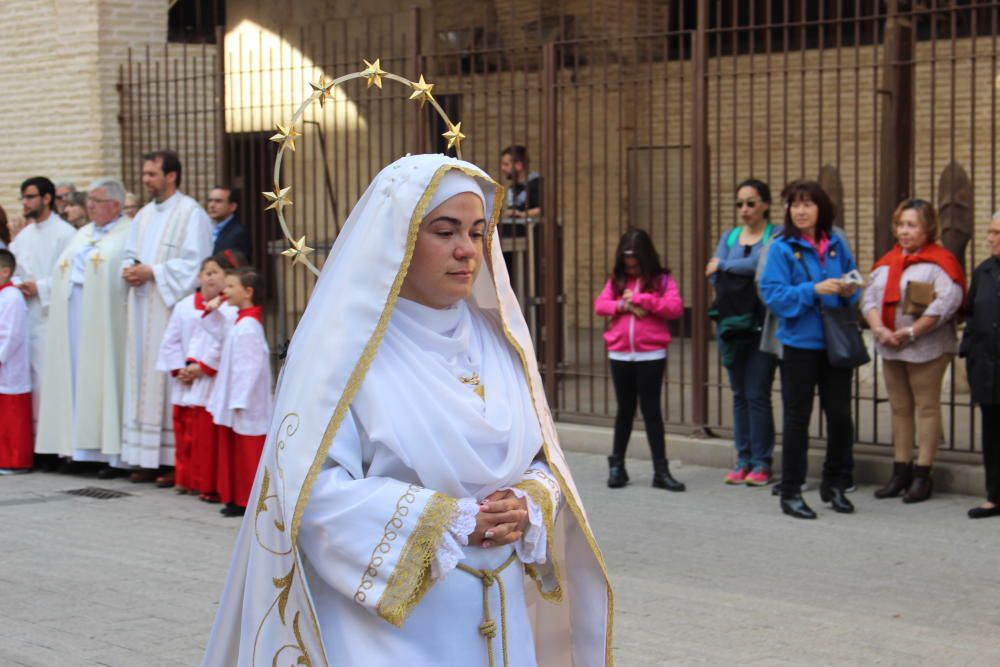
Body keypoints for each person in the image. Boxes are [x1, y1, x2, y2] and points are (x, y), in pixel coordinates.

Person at [201, 154, 611, 666]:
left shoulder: (500, 337)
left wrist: (528, 500)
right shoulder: (343, 355)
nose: (468, 251)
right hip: (392, 633)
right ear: (399, 237)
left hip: (502, 617)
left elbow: (542, 459)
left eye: (479, 232)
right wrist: (448, 521)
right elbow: (310, 493)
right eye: (446, 231)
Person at [759, 180, 861, 520]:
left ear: (821, 208)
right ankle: (790, 492)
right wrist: (812, 290)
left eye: (808, 204)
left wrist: (850, 290)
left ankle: (834, 485)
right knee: (797, 419)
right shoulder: (781, 247)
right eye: (794, 204)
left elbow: (854, 279)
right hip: (800, 344)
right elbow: (773, 294)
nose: (801, 211)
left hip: (836, 343)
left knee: (841, 418)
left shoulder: (836, 242)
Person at [119, 150, 213, 484]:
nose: (146, 180)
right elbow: (129, 251)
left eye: (151, 174)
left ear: (171, 176)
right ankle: (144, 457)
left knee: (168, 378)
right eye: (144, 174)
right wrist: (129, 269)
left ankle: (174, 461)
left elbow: (197, 262)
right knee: (141, 377)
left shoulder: (192, 213)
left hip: (170, 308)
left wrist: (153, 271)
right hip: (142, 305)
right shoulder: (143, 215)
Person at [863, 199, 965, 503]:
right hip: (890, 345)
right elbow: (868, 299)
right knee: (899, 408)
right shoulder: (887, 262)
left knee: (926, 406)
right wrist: (879, 329)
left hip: (928, 347)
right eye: (900, 225)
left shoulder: (940, 262)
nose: (904, 231)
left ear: (928, 228)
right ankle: (901, 469)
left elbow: (947, 302)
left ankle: (924, 472)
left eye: (912, 225)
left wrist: (911, 331)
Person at [35, 179, 131, 475]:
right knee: (75, 380)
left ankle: (107, 457)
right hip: (74, 321)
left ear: (114, 205)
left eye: (96, 201)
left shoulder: (127, 233)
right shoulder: (84, 233)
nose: (89, 205)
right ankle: (77, 451)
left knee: (103, 380)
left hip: (104, 324)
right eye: (89, 200)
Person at [594, 228, 686, 492]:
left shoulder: (662, 279)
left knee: (651, 411)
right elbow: (600, 305)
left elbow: (675, 307)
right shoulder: (616, 280)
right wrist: (623, 305)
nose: (631, 268)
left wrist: (642, 299)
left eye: (635, 263)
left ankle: (661, 469)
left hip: (650, 354)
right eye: (627, 263)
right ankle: (616, 465)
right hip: (620, 352)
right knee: (624, 410)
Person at [707, 178, 778, 486]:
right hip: (731, 324)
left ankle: (763, 462)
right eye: (740, 204)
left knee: (757, 393)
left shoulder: (775, 235)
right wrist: (728, 267)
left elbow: (762, 268)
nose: (745, 210)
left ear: (765, 204)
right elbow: (713, 276)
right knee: (739, 394)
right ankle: (743, 458)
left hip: (762, 325)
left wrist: (725, 265)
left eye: (751, 203)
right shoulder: (730, 235)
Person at [157, 251, 241, 497]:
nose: (210, 278)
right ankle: (185, 478)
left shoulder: (229, 309)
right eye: (207, 273)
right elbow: (170, 340)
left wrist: (202, 367)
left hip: (210, 380)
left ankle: (205, 483)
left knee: (206, 438)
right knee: (184, 433)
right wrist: (179, 368)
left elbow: (224, 342)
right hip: (184, 379)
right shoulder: (184, 306)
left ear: (227, 278)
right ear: (199, 276)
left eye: (216, 273)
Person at [9, 176, 76, 439]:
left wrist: (42, 287)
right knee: (33, 383)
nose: (25, 203)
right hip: (28, 318)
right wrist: (17, 284)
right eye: (23, 198)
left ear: (47, 199)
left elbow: (69, 274)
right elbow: (12, 270)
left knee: (52, 382)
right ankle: (34, 443)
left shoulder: (66, 234)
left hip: (52, 319)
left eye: (30, 197)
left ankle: (55, 445)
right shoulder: (24, 236)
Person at [202, 266, 271, 518]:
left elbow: (249, 368)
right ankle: (236, 497)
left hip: (245, 402)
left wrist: (240, 398)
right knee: (236, 452)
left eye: (231, 286)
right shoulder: (240, 320)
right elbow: (219, 333)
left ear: (248, 292)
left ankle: (247, 500)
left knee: (247, 453)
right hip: (236, 400)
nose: (225, 290)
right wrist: (213, 310)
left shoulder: (249, 326)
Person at [959, 211, 1000, 519]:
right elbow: (972, 316)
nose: (990, 238)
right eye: (990, 232)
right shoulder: (984, 271)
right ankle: (995, 496)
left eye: (997, 233)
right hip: (988, 367)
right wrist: (970, 354)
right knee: (992, 434)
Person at [0, 249, 33, 474]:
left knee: (13, 417)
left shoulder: (12, 296)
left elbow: (11, 334)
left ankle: (16, 461)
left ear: (5, 271)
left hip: (10, 366)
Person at [207, 186, 253, 262]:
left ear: (232, 206)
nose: (212, 205)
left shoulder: (238, 233)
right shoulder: (207, 228)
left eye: (218, 201)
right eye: (210, 200)